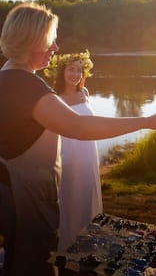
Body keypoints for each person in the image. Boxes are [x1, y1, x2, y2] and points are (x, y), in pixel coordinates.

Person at [0, 1, 156, 276]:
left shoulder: (6, 78)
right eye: (51, 40)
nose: (56, 48)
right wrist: (147, 121)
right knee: (34, 264)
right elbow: (79, 126)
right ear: (31, 40)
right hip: (28, 201)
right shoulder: (25, 85)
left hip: (14, 195)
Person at [44, 50, 103, 250]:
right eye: (71, 70)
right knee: (68, 195)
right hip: (67, 154)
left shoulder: (84, 93)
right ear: (62, 72)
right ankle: (67, 240)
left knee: (87, 191)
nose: (75, 75)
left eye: (79, 70)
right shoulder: (54, 98)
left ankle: (87, 236)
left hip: (88, 153)